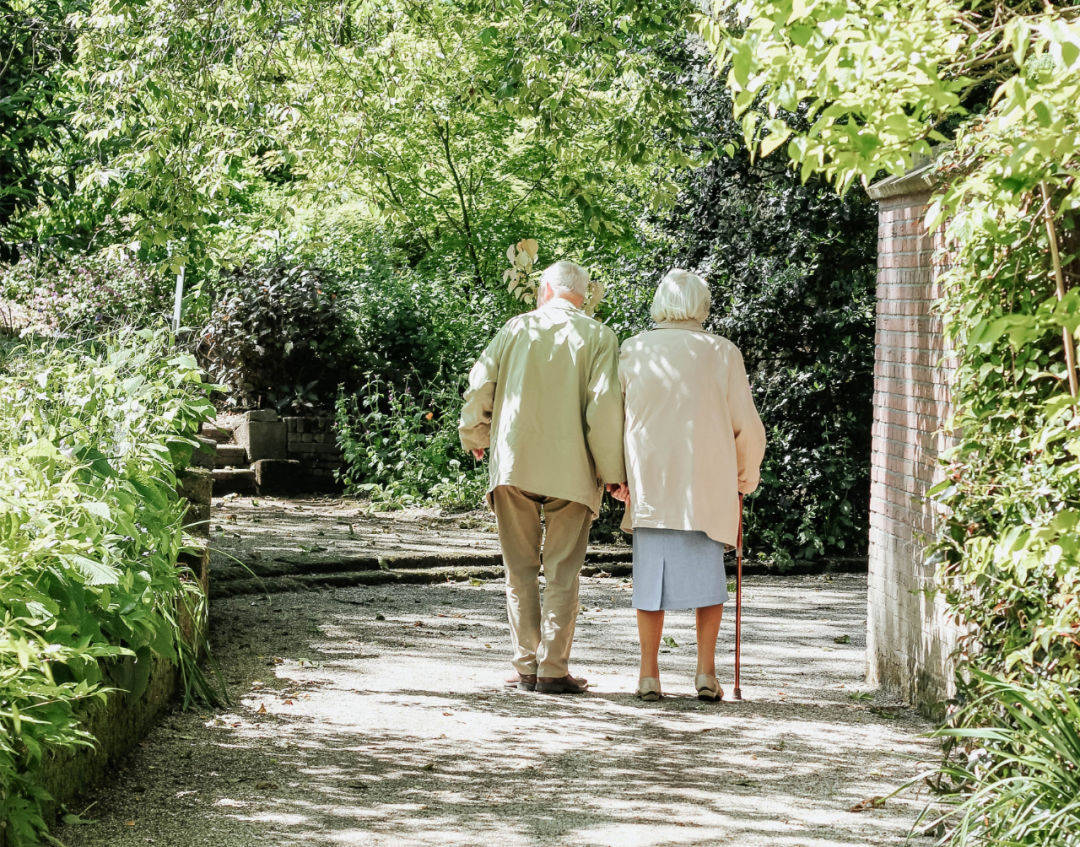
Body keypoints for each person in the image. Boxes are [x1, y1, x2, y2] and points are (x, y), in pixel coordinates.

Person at [459, 261, 626, 695]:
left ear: (546, 289)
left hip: (515, 463)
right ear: (583, 296)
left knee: (519, 569)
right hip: (573, 470)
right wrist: (613, 473)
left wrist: (474, 433)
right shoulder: (600, 336)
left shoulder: (514, 329)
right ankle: (553, 669)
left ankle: (525, 666)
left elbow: (481, 386)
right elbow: (604, 408)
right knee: (562, 572)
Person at [614, 269, 765, 702]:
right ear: (702, 305)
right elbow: (747, 426)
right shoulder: (722, 353)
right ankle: (705, 672)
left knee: (649, 583)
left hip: (652, 483)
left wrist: (617, 476)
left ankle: (648, 675)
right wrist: (745, 475)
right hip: (707, 483)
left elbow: (614, 419)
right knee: (709, 581)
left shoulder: (633, 349)